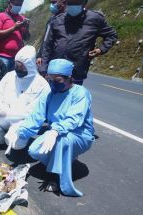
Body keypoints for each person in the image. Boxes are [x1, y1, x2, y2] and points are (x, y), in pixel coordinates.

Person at [17, 59, 95, 197]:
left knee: (62, 141)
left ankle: (55, 177)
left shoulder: (80, 93)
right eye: (50, 79)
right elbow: (36, 116)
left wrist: (54, 131)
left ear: (69, 78)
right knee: (34, 150)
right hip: (56, 132)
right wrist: (20, 132)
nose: (53, 83)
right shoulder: (49, 95)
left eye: (57, 80)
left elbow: (74, 119)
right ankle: (62, 158)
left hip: (79, 134)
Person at [0, 46, 50, 149]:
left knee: (14, 143)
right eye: (16, 65)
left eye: (21, 66)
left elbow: (35, 111)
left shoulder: (41, 84)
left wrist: (11, 114)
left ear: (29, 65)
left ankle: (12, 139)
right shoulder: (10, 76)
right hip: (2, 113)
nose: (18, 69)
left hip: (21, 121)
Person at [41, 0, 117, 84]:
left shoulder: (95, 19)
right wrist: (43, 70)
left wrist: (100, 49)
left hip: (75, 75)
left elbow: (111, 35)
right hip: (54, 73)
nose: (73, 5)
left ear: (84, 3)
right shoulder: (57, 20)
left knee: (73, 96)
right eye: (70, 2)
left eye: (76, 2)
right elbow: (47, 45)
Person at [0, 0, 30, 71]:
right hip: (3, 57)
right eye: (17, 3)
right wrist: (14, 28)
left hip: (18, 59)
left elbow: (27, 38)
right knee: (2, 80)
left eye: (20, 4)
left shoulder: (22, 18)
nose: (18, 5)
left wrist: (27, 28)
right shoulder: (0, 16)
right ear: (9, 3)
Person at [36, 0, 66, 75]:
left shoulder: (67, 19)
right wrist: (40, 55)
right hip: (47, 56)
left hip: (58, 59)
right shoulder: (51, 19)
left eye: (54, 2)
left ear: (63, 3)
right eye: (51, 3)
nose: (52, 5)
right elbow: (45, 39)